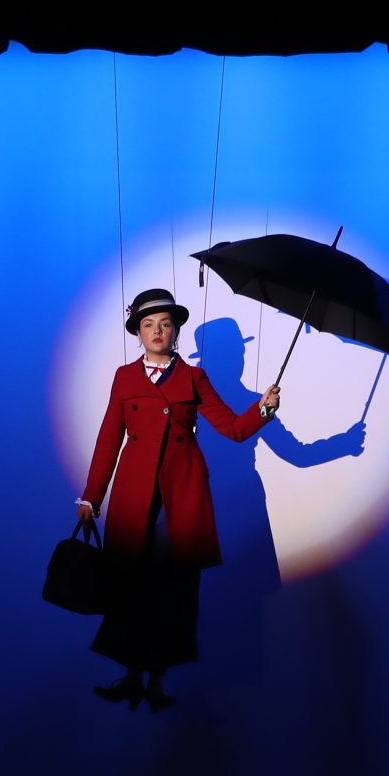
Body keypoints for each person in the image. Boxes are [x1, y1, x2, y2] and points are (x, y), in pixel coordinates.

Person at [78, 287, 280, 710]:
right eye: (149, 324)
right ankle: (130, 676)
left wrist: (262, 409)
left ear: (176, 332)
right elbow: (109, 438)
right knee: (129, 585)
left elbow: (232, 429)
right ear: (138, 332)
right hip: (135, 496)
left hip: (181, 496)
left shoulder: (193, 377)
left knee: (174, 588)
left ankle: (157, 681)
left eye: (165, 324)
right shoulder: (124, 377)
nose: (157, 331)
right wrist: (91, 497)